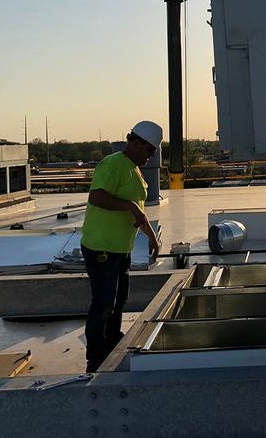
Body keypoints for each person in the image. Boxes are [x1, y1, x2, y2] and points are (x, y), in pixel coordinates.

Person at [80, 120, 162, 373]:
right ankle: (95, 357)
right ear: (135, 143)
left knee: (118, 300)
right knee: (103, 303)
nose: (151, 156)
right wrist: (130, 206)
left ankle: (112, 340)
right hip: (102, 247)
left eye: (154, 152)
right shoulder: (113, 164)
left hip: (120, 248)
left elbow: (139, 212)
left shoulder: (133, 169)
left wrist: (151, 236)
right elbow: (97, 196)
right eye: (149, 150)